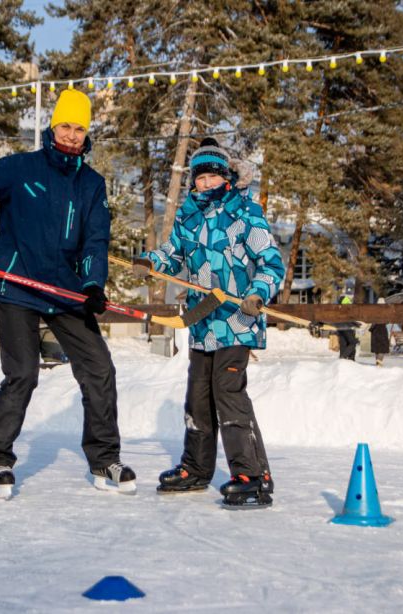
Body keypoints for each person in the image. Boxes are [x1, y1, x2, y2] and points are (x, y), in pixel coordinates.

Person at [0, 89, 135, 499]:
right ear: (53, 126)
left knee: (99, 368)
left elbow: (95, 241)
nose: (71, 135)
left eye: (79, 128)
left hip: (65, 291)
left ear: (88, 134)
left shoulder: (92, 185)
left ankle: (105, 459)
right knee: (23, 373)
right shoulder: (20, 168)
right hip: (16, 285)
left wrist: (92, 285)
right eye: (65, 125)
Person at [133, 137, 285, 508]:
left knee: (227, 392)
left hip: (237, 319)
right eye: (200, 177)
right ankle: (196, 469)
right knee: (197, 398)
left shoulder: (245, 213)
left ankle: (251, 475)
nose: (206, 183)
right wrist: (152, 262)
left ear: (226, 177)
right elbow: (173, 255)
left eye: (213, 176)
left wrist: (258, 293)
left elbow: (271, 262)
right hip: (203, 325)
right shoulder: (189, 216)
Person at [369, 298, 390, 366]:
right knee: (382, 347)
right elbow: (387, 321)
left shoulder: (373, 311)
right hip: (382, 329)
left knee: (377, 347)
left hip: (375, 329)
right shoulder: (386, 311)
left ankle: (378, 361)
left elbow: (371, 320)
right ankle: (379, 361)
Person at [337, 295, 358, 361]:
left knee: (343, 344)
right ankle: (344, 357)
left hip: (340, 328)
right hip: (347, 328)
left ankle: (342, 361)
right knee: (353, 342)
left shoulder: (339, 309)